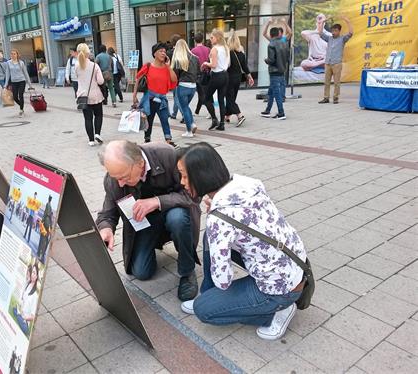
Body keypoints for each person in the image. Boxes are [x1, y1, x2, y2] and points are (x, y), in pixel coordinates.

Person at [177, 142, 306, 341]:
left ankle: (277, 312)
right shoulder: (247, 184)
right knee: (210, 239)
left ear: (200, 176)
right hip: (296, 266)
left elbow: (223, 280)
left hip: (279, 290)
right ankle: (209, 295)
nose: (182, 182)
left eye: (185, 176)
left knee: (205, 310)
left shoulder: (220, 219)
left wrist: (219, 233)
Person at [96, 140, 201, 301]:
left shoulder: (169, 156)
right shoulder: (114, 178)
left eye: (124, 177)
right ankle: (153, 242)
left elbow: (193, 194)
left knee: (178, 218)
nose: (120, 183)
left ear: (139, 163)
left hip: (173, 213)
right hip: (143, 223)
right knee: (141, 272)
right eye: (115, 177)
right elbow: (107, 213)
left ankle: (187, 271)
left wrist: (157, 201)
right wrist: (106, 228)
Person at [133, 42, 177, 145]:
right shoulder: (148, 66)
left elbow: (174, 80)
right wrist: (134, 95)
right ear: (154, 53)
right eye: (161, 51)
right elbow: (138, 79)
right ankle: (147, 139)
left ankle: (168, 139)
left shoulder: (166, 67)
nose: (163, 53)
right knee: (149, 120)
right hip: (150, 99)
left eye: (164, 52)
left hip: (162, 99)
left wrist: (169, 67)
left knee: (165, 120)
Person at [318, 15, 353, 104]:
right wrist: (322, 22)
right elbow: (321, 33)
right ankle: (326, 98)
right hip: (327, 63)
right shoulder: (329, 38)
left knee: (336, 82)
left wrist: (347, 21)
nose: (333, 32)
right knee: (326, 82)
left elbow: (351, 33)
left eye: (335, 31)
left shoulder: (343, 39)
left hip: (337, 64)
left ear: (339, 31)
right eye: (332, 31)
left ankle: (335, 98)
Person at [76, 43, 105, 146]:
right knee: (98, 115)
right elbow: (101, 81)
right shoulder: (94, 66)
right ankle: (97, 133)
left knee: (87, 118)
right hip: (95, 95)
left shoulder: (76, 66)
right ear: (88, 53)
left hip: (83, 96)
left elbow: (75, 80)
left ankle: (91, 140)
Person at [225, 30, 254, 127]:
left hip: (229, 78)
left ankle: (240, 116)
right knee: (232, 98)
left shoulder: (228, 52)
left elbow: (226, 66)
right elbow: (244, 67)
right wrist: (250, 77)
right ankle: (227, 116)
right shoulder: (241, 53)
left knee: (229, 99)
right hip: (238, 78)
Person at [202, 29, 230, 131]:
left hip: (217, 75)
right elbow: (228, 64)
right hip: (225, 75)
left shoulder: (215, 49)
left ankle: (214, 119)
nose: (210, 39)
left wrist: (205, 63)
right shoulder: (226, 48)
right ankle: (222, 124)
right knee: (221, 100)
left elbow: (213, 65)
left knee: (206, 99)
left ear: (217, 38)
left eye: (212, 37)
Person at [171, 39, 199, 137]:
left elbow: (175, 76)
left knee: (184, 107)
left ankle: (189, 131)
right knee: (186, 107)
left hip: (183, 86)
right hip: (193, 86)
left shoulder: (178, 59)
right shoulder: (195, 58)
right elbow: (198, 72)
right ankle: (192, 124)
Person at [261, 27, 289, 120]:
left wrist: (266, 60)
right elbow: (288, 58)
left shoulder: (271, 44)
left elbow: (271, 60)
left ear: (271, 35)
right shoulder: (285, 43)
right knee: (271, 91)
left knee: (276, 92)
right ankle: (267, 110)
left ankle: (281, 113)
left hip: (274, 71)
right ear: (278, 34)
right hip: (282, 70)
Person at [4, 49, 33, 116]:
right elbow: (7, 74)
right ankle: (21, 105)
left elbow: (25, 73)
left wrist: (30, 84)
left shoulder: (21, 62)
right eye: (12, 54)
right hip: (14, 82)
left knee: (20, 95)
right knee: (15, 97)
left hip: (21, 81)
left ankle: (21, 109)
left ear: (17, 55)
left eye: (14, 54)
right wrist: (6, 84)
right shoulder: (8, 63)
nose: (13, 55)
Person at [14, 262, 39, 335]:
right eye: (32, 272)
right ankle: (18, 315)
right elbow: (22, 300)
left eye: (34, 273)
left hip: (25, 320)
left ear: (37, 276)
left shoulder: (35, 295)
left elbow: (32, 316)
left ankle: (20, 318)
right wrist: (20, 306)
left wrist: (24, 317)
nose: (32, 275)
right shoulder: (27, 285)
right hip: (21, 312)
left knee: (19, 318)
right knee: (14, 310)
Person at [191, 33, 211, 116]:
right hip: (208, 73)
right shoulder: (208, 49)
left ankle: (211, 112)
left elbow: (192, 64)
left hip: (199, 75)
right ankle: (197, 111)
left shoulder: (193, 51)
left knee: (202, 94)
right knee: (203, 92)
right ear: (202, 40)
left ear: (195, 41)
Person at [166, 34, 181, 121]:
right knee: (177, 96)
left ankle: (183, 114)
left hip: (173, 76)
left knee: (176, 96)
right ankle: (174, 113)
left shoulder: (169, 53)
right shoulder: (183, 52)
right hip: (182, 76)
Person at [37, 195, 53, 262]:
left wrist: (42, 222)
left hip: (45, 223)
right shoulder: (49, 206)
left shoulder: (48, 205)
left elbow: (45, 213)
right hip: (47, 224)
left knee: (43, 240)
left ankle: (40, 253)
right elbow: (47, 214)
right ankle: (41, 254)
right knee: (44, 240)